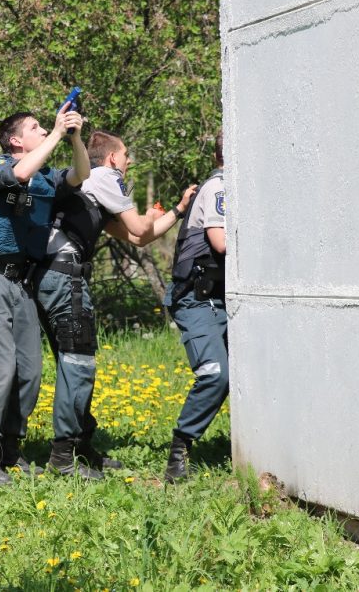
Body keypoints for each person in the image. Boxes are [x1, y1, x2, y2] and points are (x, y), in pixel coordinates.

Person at [32, 130, 196, 479]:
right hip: (65, 275)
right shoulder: (106, 177)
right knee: (77, 362)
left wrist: (179, 210)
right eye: (125, 156)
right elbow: (140, 224)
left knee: (74, 360)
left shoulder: (90, 189)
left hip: (52, 275)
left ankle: (80, 445)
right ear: (111, 159)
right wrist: (153, 212)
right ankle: (64, 456)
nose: (129, 161)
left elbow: (139, 238)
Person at [0, 101, 89, 485]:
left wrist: (76, 137)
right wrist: (55, 133)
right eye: (35, 128)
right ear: (16, 140)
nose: (43, 131)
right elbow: (18, 173)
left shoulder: (45, 177)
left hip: (23, 283)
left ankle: (9, 450)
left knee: (29, 374)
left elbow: (81, 174)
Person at [163, 131, 227, 483]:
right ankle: (180, 448)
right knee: (216, 374)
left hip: (223, 299)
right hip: (198, 299)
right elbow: (221, 243)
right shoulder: (220, 187)